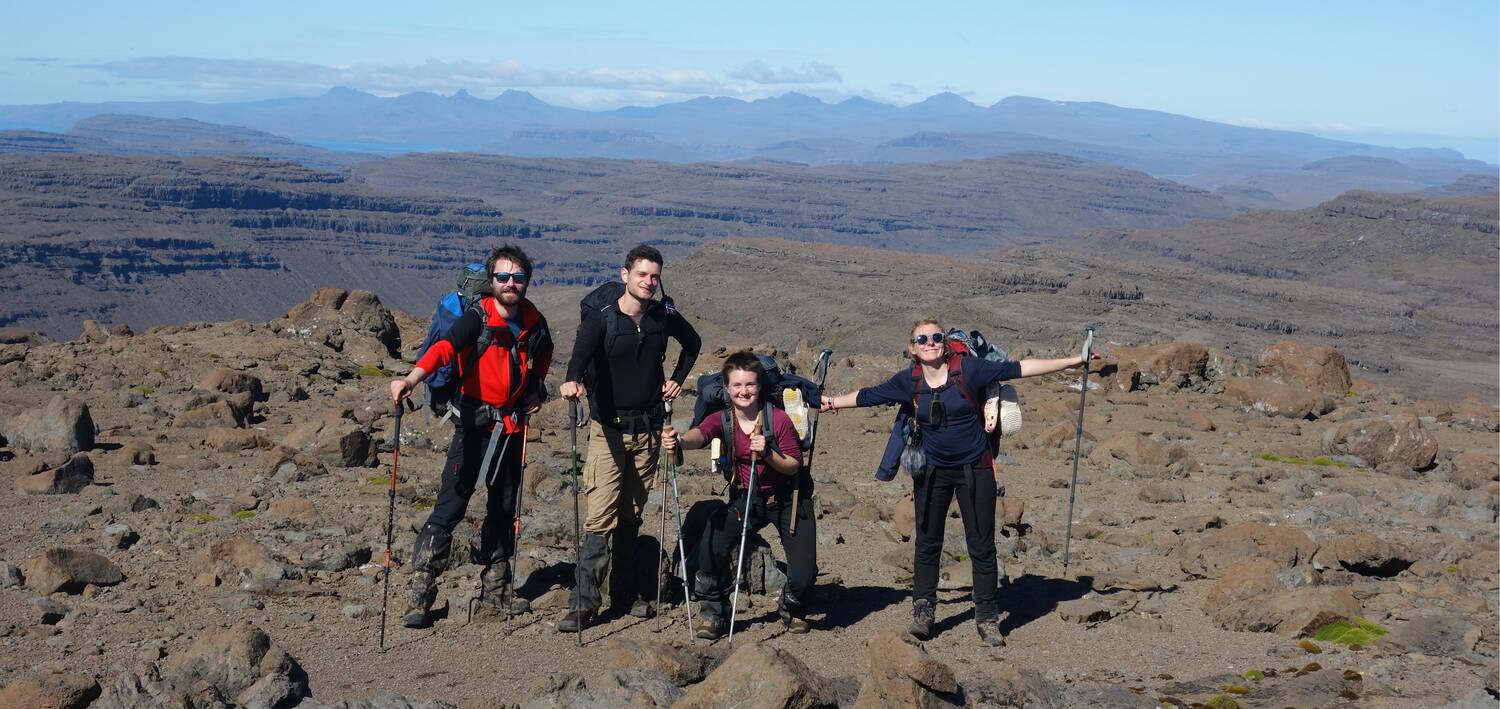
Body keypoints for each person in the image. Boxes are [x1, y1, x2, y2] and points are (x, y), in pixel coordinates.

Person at [820, 319, 1094, 646]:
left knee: (981, 545)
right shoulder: (910, 380)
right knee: (927, 542)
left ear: (944, 342)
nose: (930, 342)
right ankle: (924, 611)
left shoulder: (969, 369)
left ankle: (987, 618)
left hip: (974, 469)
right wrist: (832, 402)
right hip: (932, 472)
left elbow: (1019, 368)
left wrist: (1073, 361)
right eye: (922, 339)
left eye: (936, 337)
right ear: (912, 348)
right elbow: (870, 395)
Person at [388, 244, 553, 628]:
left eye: (517, 277)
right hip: (474, 424)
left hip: (511, 428)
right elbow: (444, 349)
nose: (510, 283)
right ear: (492, 280)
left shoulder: (535, 323)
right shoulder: (477, 318)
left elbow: (540, 364)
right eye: (503, 277)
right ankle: (420, 597)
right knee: (451, 505)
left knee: (503, 508)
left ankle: (494, 596)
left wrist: (537, 392)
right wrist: (412, 378)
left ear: (526, 280)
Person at [557, 244, 701, 632]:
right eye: (642, 275)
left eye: (654, 276)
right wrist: (572, 382)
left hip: (649, 429)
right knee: (601, 514)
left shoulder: (662, 316)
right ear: (625, 275)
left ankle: (625, 593)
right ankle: (584, 603)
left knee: (631, 514)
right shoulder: (602, 318)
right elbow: (579, 357)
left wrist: (678, 380)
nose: (649, 282)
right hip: (609, 431)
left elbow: (694, 343)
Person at [663, 351, 816, 639]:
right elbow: (701, 434)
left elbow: (793, 464)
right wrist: (680, 440)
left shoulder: (779, 419)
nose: (743, 391)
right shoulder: (724, 419)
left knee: (803, 575)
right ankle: (714, 613)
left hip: (788, 500)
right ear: (727, 387)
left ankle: (792, 607)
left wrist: (768, 453)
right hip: (747, 497)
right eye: (737, 385)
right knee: (710, 548)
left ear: (759, 386)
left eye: (749, 384)